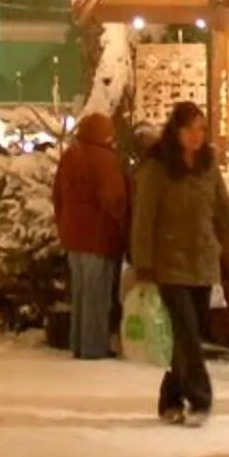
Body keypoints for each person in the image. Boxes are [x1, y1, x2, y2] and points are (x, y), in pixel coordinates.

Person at [130, 103, 229, 426]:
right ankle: (200, 397)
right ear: (176, 131)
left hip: (203, 260)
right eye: (190, 129)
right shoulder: (158, 167)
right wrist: (143, 261)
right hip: (170, 262)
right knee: (187, 332)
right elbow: (144, 216)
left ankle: (171, 398)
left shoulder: (208, 166)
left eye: (201, 129)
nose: (196, 136)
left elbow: (224, 208)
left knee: (190, 333)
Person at [53, 110, 130, 360]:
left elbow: (57, 195)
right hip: (98, 237)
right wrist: (123, 225)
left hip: (72, 237)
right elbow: (114, 200)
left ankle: (77, 342)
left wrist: (63, 224)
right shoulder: (105, 159)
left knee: (80, 294)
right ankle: (93, 347)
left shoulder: (70, 156)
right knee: (97, 295)